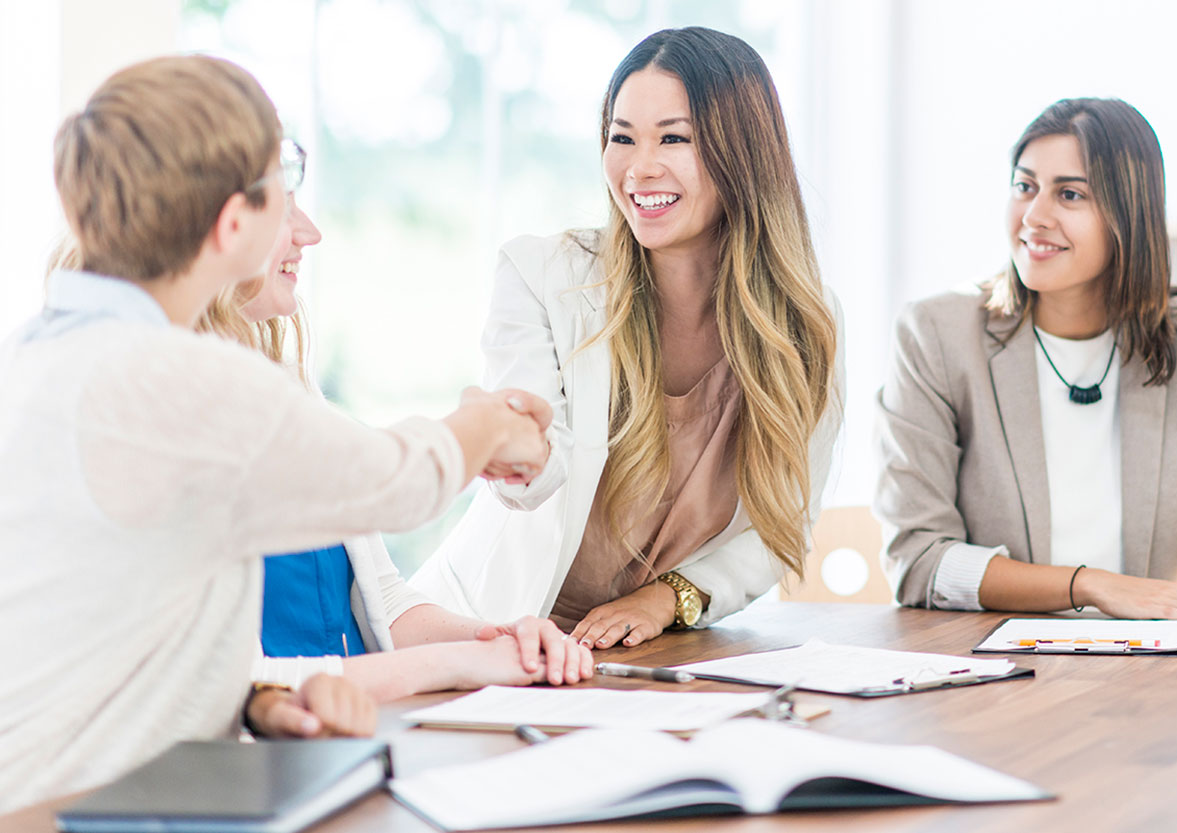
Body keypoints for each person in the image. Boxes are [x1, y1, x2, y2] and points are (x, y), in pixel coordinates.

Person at [0, 54, 553, 811]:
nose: (306, 222)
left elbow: (115, 634)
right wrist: (490, 423)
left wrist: (255, 699)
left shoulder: (38, 358)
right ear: (232, 224)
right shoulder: (175, 379)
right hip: (83, 811)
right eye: (284, 186)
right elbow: (396, 482)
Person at [412, 26, 844, 649]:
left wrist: (667, 598)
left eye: (674, 138)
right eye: (621, 138)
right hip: (494, 634)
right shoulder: (542, 275)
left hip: (653, 648)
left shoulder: (800, 326)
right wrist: (512, 449)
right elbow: (538, 469)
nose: (640, 168)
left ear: (743, 153)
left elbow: (783, 524)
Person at [195, 146, 591, 702]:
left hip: (349, 732)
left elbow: (380, 598)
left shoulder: (288, 393)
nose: (310, 232)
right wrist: (487, 430)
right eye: (284, 211)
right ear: (221, 226)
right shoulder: (172, 416)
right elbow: (240, 686)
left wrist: (493, 640)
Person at [875, 97, 1177, 622]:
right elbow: (920, 562)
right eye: (1024, 186)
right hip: (997, 671)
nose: (1034, 216)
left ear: (1129, 215)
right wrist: (1090, 586)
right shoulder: (937, 335)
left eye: (1069, 194)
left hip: (1153, 671)